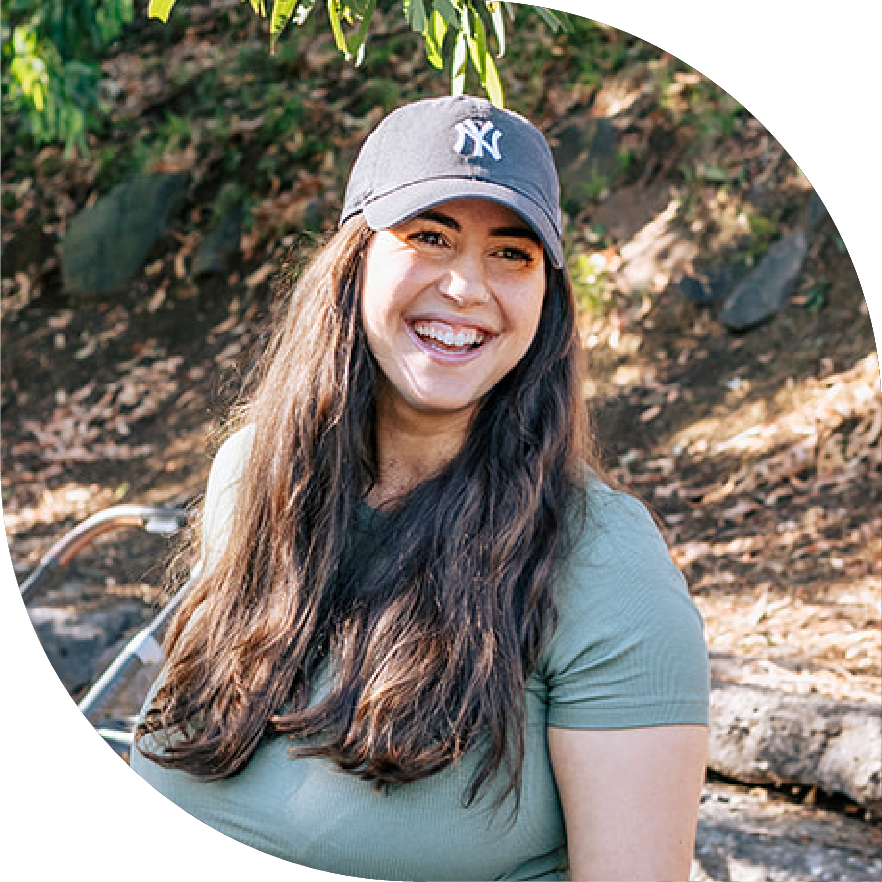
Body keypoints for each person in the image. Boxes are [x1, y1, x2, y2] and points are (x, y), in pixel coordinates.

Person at [132, 95, 709, 882]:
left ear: (547, 300)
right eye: (430, 236)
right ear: (355, 259)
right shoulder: (251, 477)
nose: (468, 286)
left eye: (512, 253)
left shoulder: (606, 565)